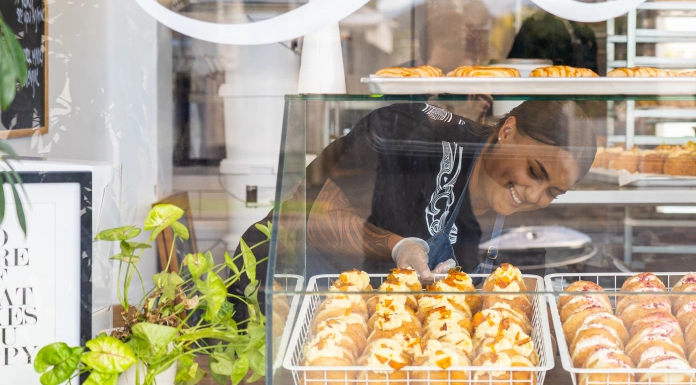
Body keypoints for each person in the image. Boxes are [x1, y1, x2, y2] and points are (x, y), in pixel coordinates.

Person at [231, 100, 596, 313]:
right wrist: (398, 246)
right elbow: (313, 218)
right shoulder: (412, 135)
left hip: (383, 336)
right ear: (507, 130)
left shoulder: (516, 229)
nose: (534, 196)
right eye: (534, 171)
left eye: (552, 192)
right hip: (278, 298)